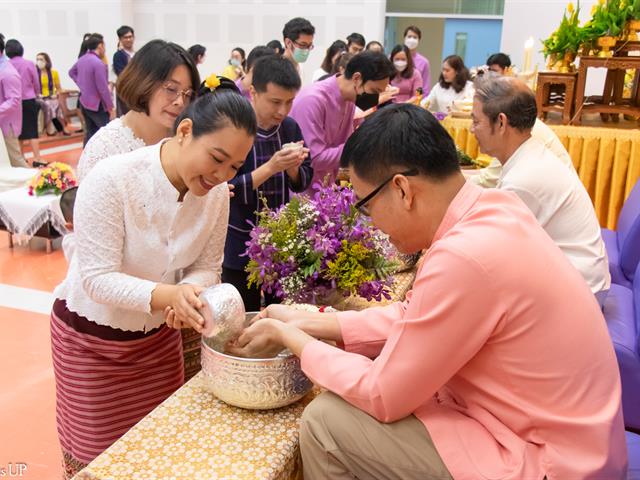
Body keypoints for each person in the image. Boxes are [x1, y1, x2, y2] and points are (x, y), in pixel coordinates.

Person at [228, 103, 627, 480]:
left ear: (402, 190)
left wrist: (291, 338)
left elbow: (382, 394)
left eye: (366, 207)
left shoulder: (465, 256)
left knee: (327, 423)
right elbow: (417, 316)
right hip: (569, 440)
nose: (372, 224)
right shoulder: (495, 209)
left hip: (547, 460)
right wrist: (309, 321)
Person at [51, 87, 257, 479]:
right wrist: (169, 296)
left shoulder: (216, 196)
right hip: (92, 344)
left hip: (157, 343)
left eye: (234, 166)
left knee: (159, 450)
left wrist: (190, 297)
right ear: (184, 131)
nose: (220, 176)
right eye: (216, 158)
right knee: (100, 460)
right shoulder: (113, 179)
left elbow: (206, 266)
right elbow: (97, 278)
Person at [471, 77, 610, 304]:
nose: (471, 129)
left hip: (582, 293)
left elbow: (494, 252)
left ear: (502, 123)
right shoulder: (529, 154)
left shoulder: (524, 178)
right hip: (577, 277)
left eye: (476, 121)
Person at [222, 55, 313, 311]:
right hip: (239, 240)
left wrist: (293, 168)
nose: (282, 111)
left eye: (289, 102)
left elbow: (303, 179)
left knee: (281, 311)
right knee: (243, 313)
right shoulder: (235, 127)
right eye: (275, 102)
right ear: (253, 92)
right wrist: (272, 167)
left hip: (280, 242)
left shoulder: (290, 128)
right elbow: (224, 188)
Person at [77, 40, 200, 182]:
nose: (180, 102)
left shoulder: (184, 137)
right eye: (171, 89)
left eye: (188, 94)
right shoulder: (105, 148)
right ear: (142, 82)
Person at [290, 51, 395, 189]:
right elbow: (314, 159)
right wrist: (359, 144)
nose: (375, 98)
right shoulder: (313, 100)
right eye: (374, 91)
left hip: (329, 192)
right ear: (357, 78)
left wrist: (344, 188)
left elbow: (344, 159)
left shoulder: (350, 100)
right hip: (304, 196)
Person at [69, 33, 114, 146]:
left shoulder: (82, 59)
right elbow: (103, 89)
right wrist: (110, 107)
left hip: (84, 102)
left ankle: (87, 158)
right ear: (100, 46)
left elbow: (71, 72)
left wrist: (82, 84)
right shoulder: (98, 63)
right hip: (97, 104)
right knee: (106, 133)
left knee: (90, 133)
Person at [6, 39, 43, 166]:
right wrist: (37, 92)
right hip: (28, 100)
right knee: (32, 130)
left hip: (12, 103)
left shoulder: (6, 65)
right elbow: (36, 82)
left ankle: (21, 158)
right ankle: (37, 157)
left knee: (18, 131)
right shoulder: (29, 63)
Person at [0, 33, 28, 168]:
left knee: (15, 159)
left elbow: (14, 100)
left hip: (7, 124)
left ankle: (35, 185)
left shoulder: (7, 72)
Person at [35, 52, 72, 136]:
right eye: (37, 59)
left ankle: (57, 128)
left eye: (41, 59)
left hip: (51, 97)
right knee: (48, 105)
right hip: (40, 98)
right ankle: (54, 128)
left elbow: (58, 88)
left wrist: (56, 94)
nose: (39, 61)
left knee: (56, 105)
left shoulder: (53, 73)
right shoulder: (35, 73)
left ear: (47, 61)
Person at [113, 25, 135, 117]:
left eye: (130, 37)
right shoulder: (118, 55)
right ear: (120, 39)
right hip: (126, 92)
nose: (129, 39)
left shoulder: (137, 54)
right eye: (126, 37)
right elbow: (122, 74)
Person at [403, 25, 430, 93]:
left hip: (415, 100)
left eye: (415, 37)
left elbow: (424, 86)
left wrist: (419, 101)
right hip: (394, 100)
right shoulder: (393, 58)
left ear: (419, 40)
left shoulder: (424, 62)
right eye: (409, 37)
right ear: (404, 38)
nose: (412, 40)